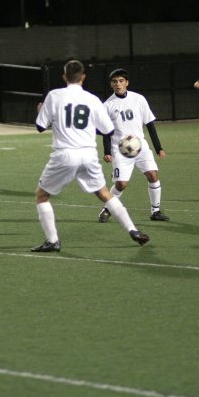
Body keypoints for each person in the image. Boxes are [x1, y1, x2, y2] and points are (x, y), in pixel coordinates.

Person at [32, 59, 150, 252]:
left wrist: (41, 111)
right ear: (83, 77)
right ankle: (133, 230)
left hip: (65, 154)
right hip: (88, 154)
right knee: (104, 193)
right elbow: (108, 130)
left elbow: (39, 126)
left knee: (42, 196)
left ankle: (52, 241)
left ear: (64, 77)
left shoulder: (54, 96)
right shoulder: (93, 99)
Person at [98, 68, 169, 225]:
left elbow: (149, 123)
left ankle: (155, 211)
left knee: (153, 175)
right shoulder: (107, 105)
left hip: (140, 145)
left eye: (121, 81)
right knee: (121, 184)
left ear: (127, 83)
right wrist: (107, 151)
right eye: (115, 81)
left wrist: (158, 147)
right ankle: (107, 209)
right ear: (111, 84)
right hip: (120, 149)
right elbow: (105, 131)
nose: (118, 84)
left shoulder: (139, 99)